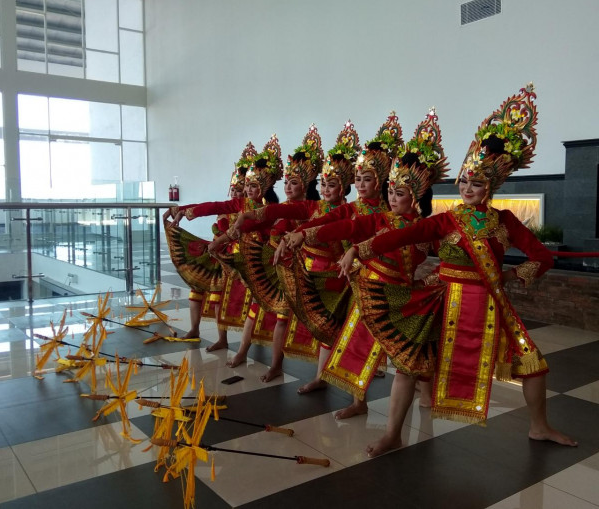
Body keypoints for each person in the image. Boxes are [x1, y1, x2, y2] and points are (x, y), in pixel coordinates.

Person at [351, 85, 577, 447]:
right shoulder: (446, 219)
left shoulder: (505, 221)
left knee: (533, 363)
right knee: (410, 364)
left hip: (490, 303)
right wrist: (363, 249)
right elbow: (405, 235)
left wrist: (510, 275)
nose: (468, 188)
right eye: (464, 181)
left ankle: (539, 426)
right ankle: (392, 433)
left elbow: (543, 257)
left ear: (492, 186)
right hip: (440, 300)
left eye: (477, 182)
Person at [283, 112, 402, 411]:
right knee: (338, 330)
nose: (362, 185)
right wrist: (300, 233)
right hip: (352, 277)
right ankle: (339, 388)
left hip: (385, 282)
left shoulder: (391, 211)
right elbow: (330, 221)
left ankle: (421, 395)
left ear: (381, 181)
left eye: (367, 179)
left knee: (398, 346)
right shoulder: (350, 208)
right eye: (358, 179)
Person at [232, 122, 357, 388]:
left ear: (344, 187)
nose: (326, 190)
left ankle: (335, 379)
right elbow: (279, 212)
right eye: (324, 184)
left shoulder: (353, 212)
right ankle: (284, 366)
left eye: (332, 185)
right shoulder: (311, 206)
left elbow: (349, 238)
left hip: (337, 278)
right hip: (303, 272)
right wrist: (250, 216)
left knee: (339, 329)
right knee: (286, 319)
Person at [218, 125, 323, 381]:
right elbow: (257, 219)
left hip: (305, 270)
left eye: (294, 182)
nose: (288, 186)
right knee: (265, 312)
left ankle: (318, 374)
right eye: (286, 182)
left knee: (311, 321)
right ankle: (252, 353)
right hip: (274, 267)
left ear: (306, 184)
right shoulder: (280, 207)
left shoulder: (310, 207)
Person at [162, 142, 257, 340]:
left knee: (217, 296)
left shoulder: (250, 209)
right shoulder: (228, 206)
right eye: (235, 189)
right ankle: (194, 329)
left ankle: (222, 339)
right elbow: (207, 206)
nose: (237, 193)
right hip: (214, 254)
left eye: (243, 189)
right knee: (195, 289)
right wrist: (179, 210)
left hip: (234, 258)